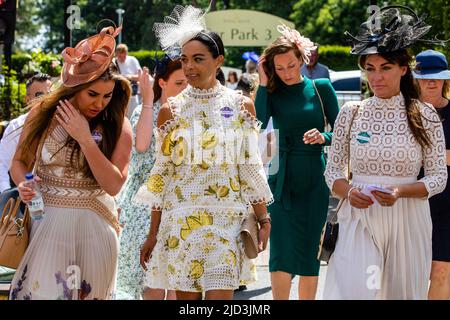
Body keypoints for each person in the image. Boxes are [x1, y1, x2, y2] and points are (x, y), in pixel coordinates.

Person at [137, 5, 273, 300]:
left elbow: (249, 166)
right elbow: (162, 174)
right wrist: (152, 233)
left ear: (218, 61)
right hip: (181, 223)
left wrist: (264, 219)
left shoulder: (241, 105)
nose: (189, 67)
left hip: (226, 223)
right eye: (185, 60)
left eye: (198, 59)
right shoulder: (169, 111)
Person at [323, 6, 447, 299]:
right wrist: (349, 191)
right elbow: (332, 171)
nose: (376, 77)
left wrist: (399, 192)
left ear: (404, 69)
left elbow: (438, 178)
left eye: (385, 67)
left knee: (399, 294)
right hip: (359, 220)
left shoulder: (425, 115)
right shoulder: (350, 113)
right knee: (360, 291)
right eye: (370, 68)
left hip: (408, 221)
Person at [8, 25, 134, 300]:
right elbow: (19, 162)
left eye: (107, 95)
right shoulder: (42, 114)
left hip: (96, 228)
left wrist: (86, 140)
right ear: (75, 87)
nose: (100, 103)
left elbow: (113, 185)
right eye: (93, 94)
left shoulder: (118, 125)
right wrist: (23, 184)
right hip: (48, 225)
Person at [255, 23, 339, 300]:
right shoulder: (272, 91)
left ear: (302, 59)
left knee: (309, 254)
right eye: (279, 68)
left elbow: (341, 132)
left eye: (291, 65)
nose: (287, 73)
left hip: (315, 179)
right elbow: (258, 120)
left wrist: (323, 137)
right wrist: (264, 83)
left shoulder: (321, 87)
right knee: (279, 252)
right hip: (281, 179)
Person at [115, 56, 187, 300]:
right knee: (152, 282)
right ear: (163, 82)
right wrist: (147, 102)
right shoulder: (148, 109)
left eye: (189, 82)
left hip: (182, 201)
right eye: (179, 83)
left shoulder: (195, 113)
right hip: (146, 204)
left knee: (179, 281)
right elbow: (142, 146)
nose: (185, 89)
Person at [413, 49, 450, 300]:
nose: (432, 81)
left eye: (438, 76)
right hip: (410, 204)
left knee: (441, 271)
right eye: (426, 77)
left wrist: (435, 157)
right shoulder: (404, 113)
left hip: (448, 206)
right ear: (415, 79)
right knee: (413, 273)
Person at [0, 73, 53, 193]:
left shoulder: (65, 122)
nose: (46, 98)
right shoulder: (16, 126)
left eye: (50, 94)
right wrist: (7, 194)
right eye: (39, 94)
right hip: (27, 198)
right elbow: (1, 164)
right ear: (27, 100)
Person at [115, 43, 142, 119]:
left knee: (134, 117)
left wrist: (129, 77)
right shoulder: (114, 62)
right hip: (119, 95)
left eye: (124, 56)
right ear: (116, 54)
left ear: (126, 53)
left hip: (132, 95)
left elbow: (140, 76)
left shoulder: (132, 60)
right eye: (120, 56)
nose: (122, 58)